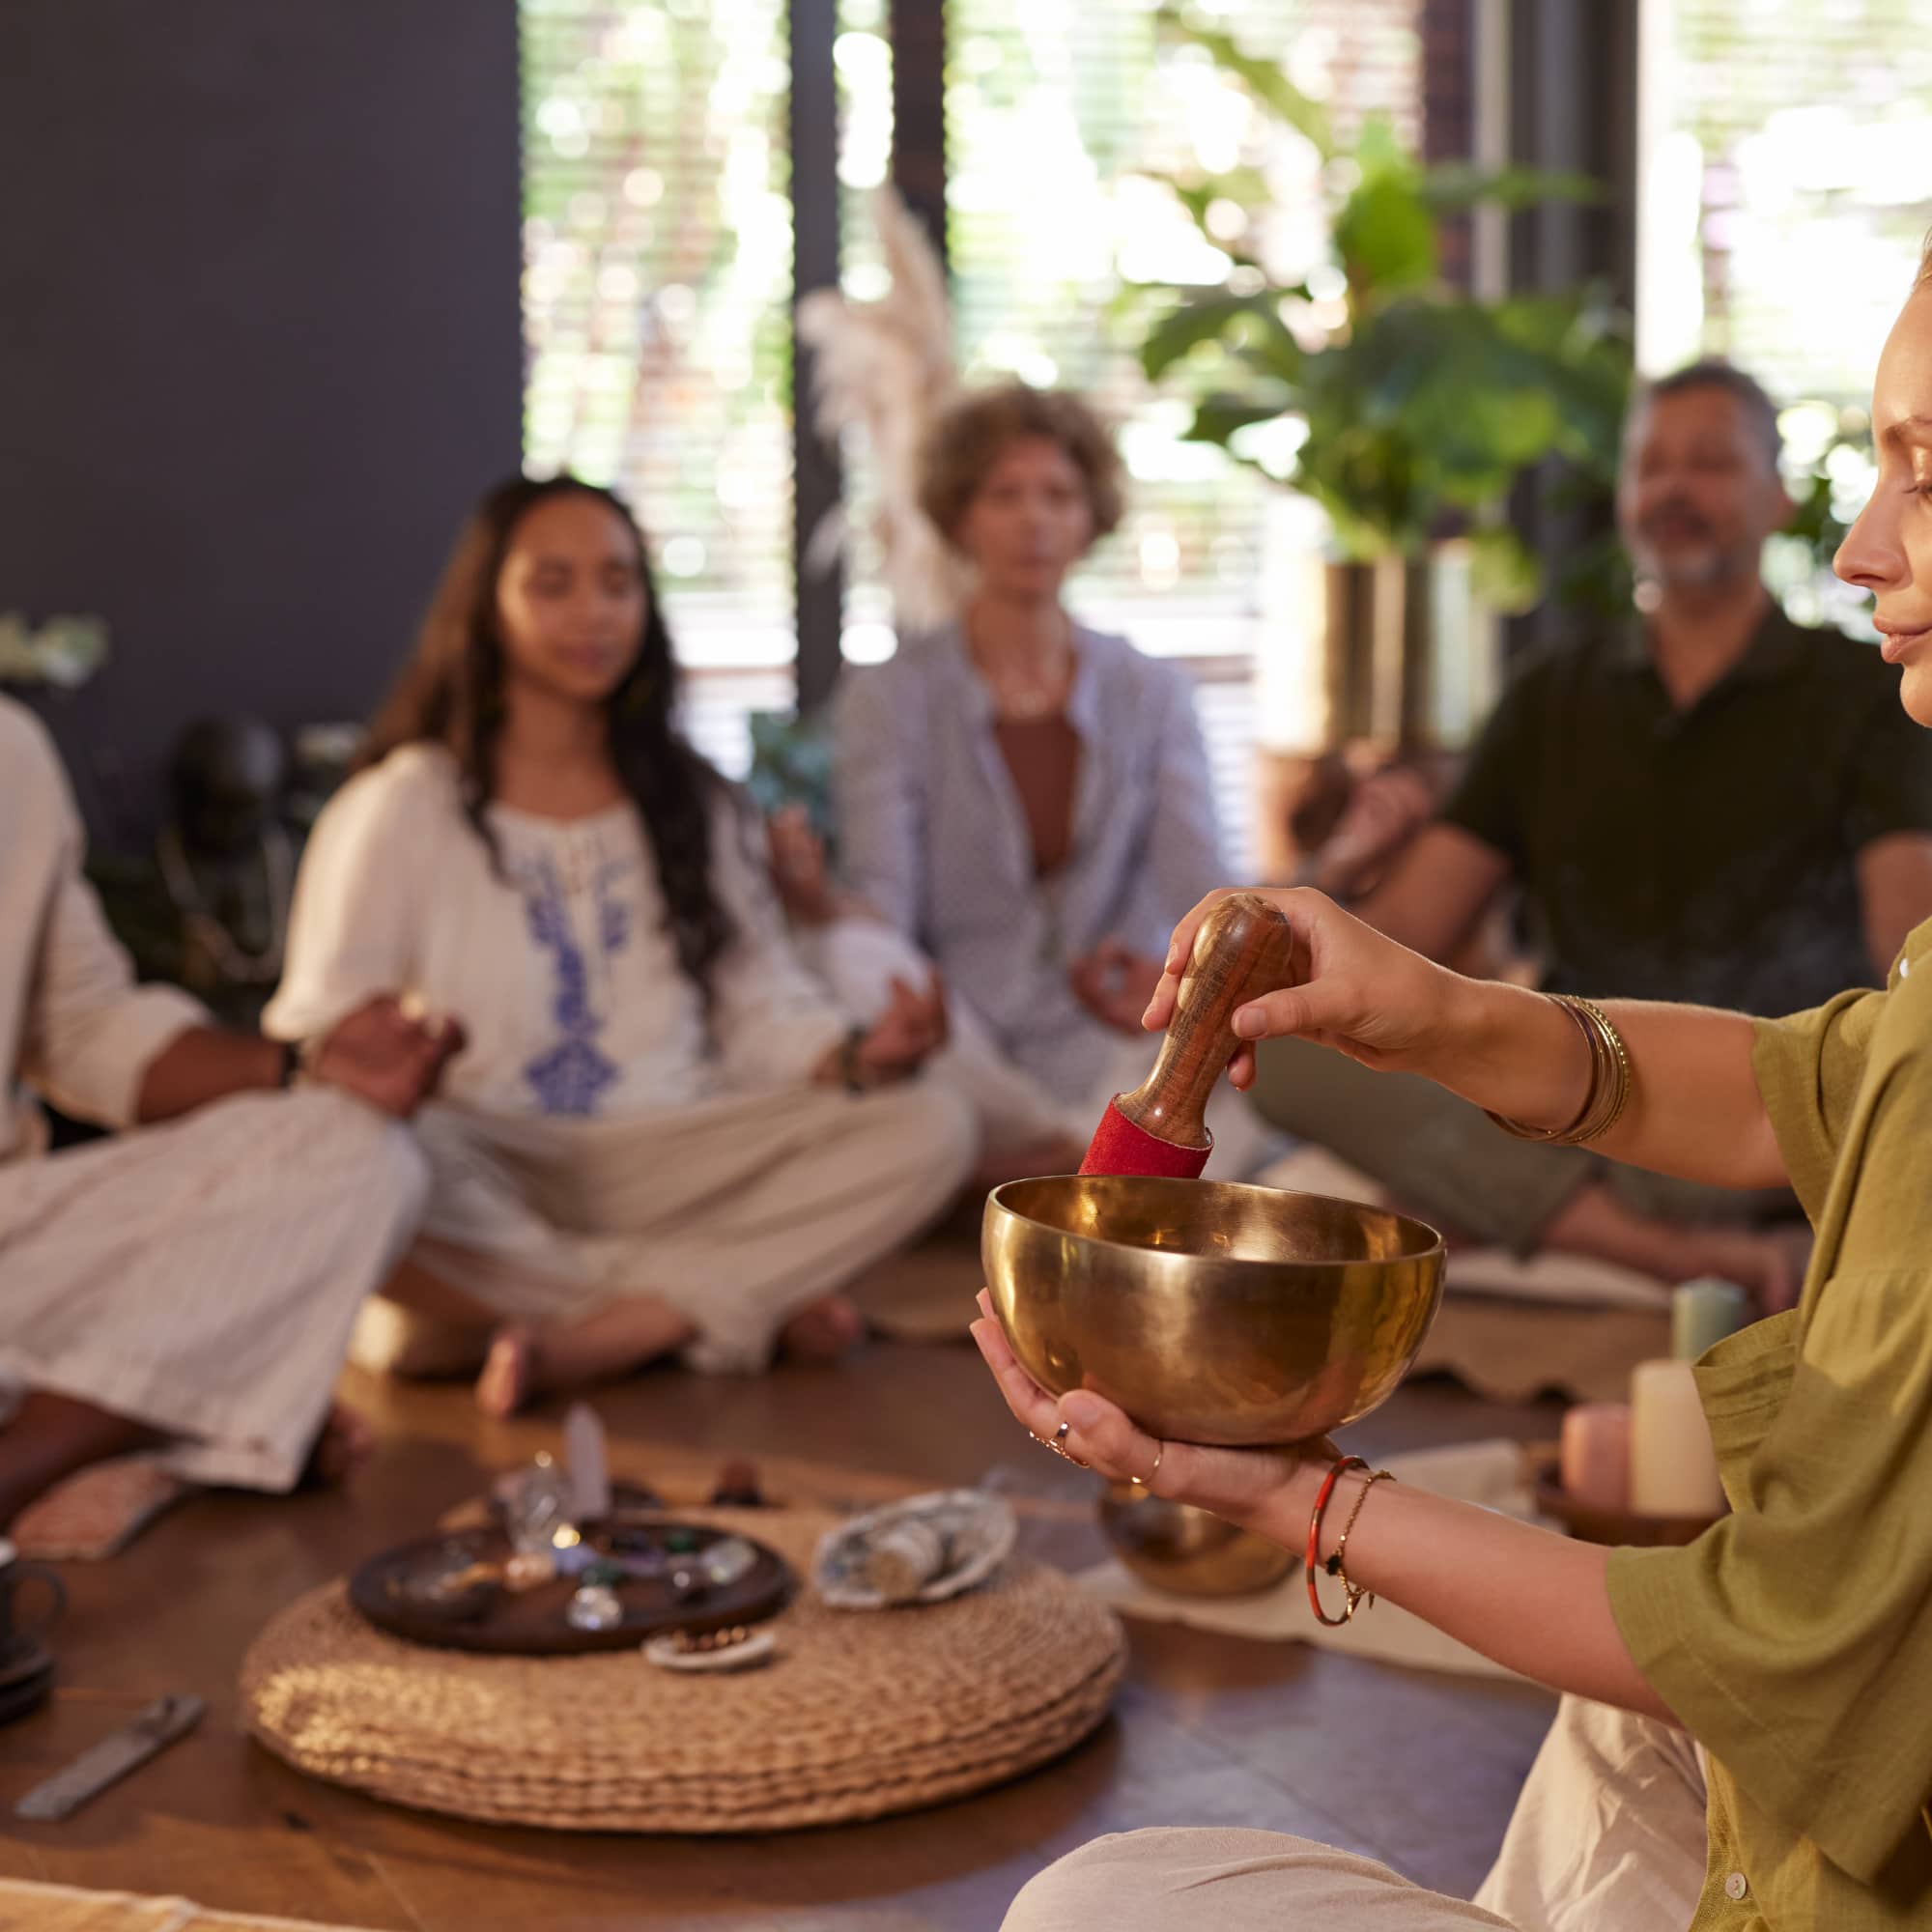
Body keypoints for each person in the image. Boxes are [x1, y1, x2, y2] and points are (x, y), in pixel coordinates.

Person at [973, 243, 1932, 1930]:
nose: (1871, 549)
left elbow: (1767, 1649)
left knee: (1091, 1910)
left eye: (1930, 472)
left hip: (1784, 1221)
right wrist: (1412, 999)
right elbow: (1831, 1077)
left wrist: (1289, 1491)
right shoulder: (1565, 691)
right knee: (1337, 1066)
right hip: (1669, 1115)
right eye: (1883, 466)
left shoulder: (1849, 703)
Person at [265, 475, 976, 1416]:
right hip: (485, 1156)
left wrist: (855, 1052)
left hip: (670, 1155)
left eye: (616, 582)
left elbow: (758, 1009)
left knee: (929, 1124)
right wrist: (375, 1063)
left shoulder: (696, 800)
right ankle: (722, 1303)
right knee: (353, 1147)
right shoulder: (401, 805)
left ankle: (561, 1322)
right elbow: (318, 1037)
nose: (591, 612)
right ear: (486, 607)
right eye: (551, 584)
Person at [1248, 358, 1932, 1310]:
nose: (1673, 490)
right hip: (1566, 1092)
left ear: (1776, 497)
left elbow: (1902, 949)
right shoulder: (1550, 694)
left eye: (1707, 463)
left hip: (1754, 1128)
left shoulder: (1865, 693)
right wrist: (1330, 875)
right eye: (1649, 465)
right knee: (1281, 1044)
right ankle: (1647, 1249)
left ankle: (1527, 1213)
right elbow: (1408, 929)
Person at [0, 696, 455, 1529]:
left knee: (353, 1149)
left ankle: (39, 1460)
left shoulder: (11, 754)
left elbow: (86, 1027)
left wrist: (310, 1063)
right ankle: (185, 1412)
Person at [790, 383, 1262, 1181]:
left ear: (1091, 517)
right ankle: (1079, 1166)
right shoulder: (892, 693)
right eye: (1005, 496)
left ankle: (1019, 1168)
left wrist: (1329, 879)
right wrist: (810, 902)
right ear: (960, 517)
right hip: (961, 1038)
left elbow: (1204, 894)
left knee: (1239, 1074)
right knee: (849, 954)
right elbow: (882, 902)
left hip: (1108, 1028)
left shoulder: (1151, 693)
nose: (1034, 520)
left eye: (1059, 495)